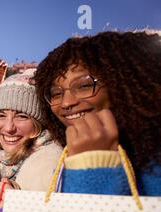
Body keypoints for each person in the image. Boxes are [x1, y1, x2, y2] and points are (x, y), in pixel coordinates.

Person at [33, 31, 161, 196]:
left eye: (84, 85)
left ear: (121, 85)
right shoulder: (62, 156)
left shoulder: (154, 163)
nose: (66, 102)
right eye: (56, 93)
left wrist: (94, 164)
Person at [0, 69, 63, 212]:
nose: (8, 128)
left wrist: (15, 207)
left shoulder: (49, 163)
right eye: (1, 115)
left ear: (39, 122)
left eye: (22, 116)